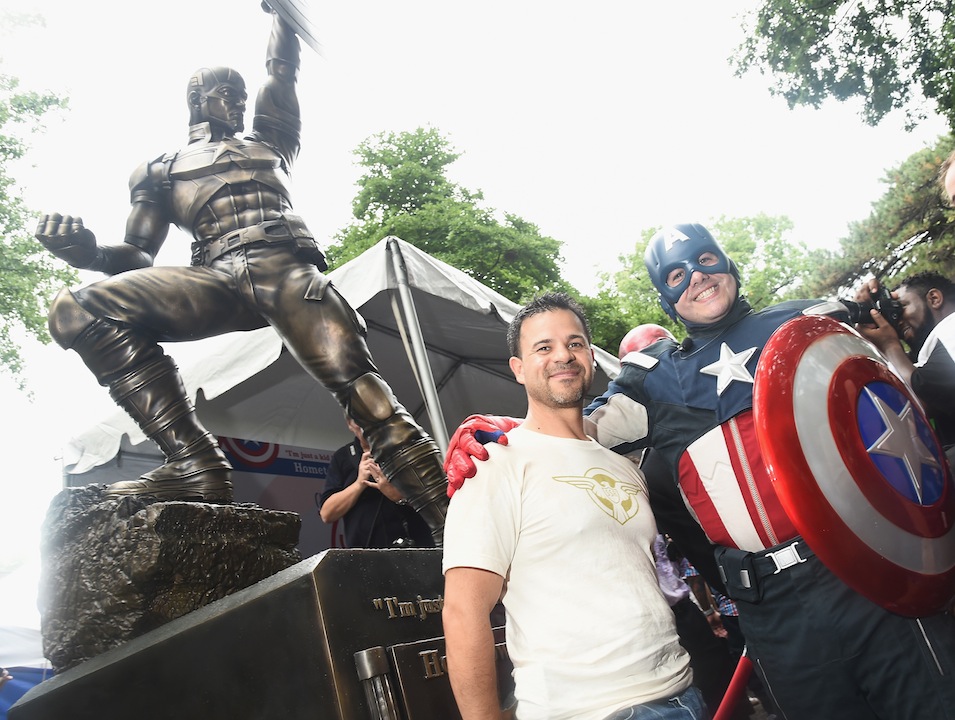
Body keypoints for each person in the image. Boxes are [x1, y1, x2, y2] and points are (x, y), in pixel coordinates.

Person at [445, 225, 955, 719]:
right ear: (665, 299)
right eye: (675, 275)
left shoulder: (806, 322)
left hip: (862, 569)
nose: (696, 277)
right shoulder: (648, 379)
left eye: (705, 261)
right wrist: (501, 432)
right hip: (771, 609)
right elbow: (577, 426)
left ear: (728, 264)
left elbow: (895, 401)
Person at [33, 3, 447, 542]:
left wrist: (282, 13)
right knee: (77, 307)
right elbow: (136, 255)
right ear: (195, 100)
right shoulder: (159, 171)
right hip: (217, 277)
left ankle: (452, 527)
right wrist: (85, 250)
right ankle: (194, 463)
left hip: (286, 268)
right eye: (223, 93)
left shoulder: (269, 141)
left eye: (239, 95)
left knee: (368, 396)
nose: (235, 101)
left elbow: (282, 69)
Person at [442, 292, 704, 720]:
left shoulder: (624, 466)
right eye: (543, 347)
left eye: (575, 343)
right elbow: (462, 610)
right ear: (519, 369)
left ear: (592, 357)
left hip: (682, 692)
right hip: (586, 710)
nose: (563, 355)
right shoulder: (494, 464)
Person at [855, 271, 955, 461]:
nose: (897, 320)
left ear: (934, 298)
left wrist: (890, 345)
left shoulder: (951, 326)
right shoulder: (935, 353)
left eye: (901, 307)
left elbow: (923, 397)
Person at [318, 414, 433, 548]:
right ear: (350, 425)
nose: (364, 424)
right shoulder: (343, 457)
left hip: (415, 550)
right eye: (358, 418)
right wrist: (359, 483)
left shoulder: (406, 448)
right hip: (364, 557)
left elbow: (435, 501)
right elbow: (327, 514)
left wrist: (398, 496)